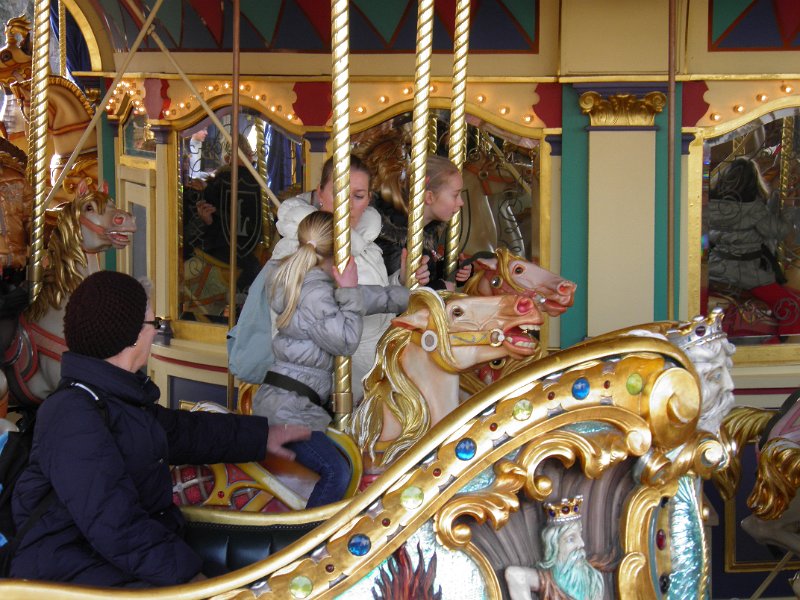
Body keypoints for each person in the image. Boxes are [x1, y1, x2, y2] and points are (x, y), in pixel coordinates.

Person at [9, 271, 310, 587]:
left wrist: (263, 436)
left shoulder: (117, 400)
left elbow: (183, 432)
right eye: (153, 324)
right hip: (69, 571)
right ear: (132, 336)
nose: (155, 333)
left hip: (111, 554)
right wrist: (191, 581)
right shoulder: (72, 414)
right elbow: (114, 524)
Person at [252, 211, 409, 508]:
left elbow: (372, 298)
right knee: (337, 471)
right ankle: (309, 546)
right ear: (339, 249)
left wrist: (416, 295)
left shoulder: (315, 282)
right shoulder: (315, 293)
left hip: (290, 401)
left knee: (351, 454)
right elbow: (346, 341)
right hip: (289, 407)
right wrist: (349, 289)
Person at [271, 155, 428, 401]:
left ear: (368, 200)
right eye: (339, 192)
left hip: (374, 375)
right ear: (320, 193)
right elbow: (298, 331)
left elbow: (378, 300)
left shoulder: (367, 245)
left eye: (358, 196)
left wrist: (402, 279)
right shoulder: (298, 249)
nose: (348, 205)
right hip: (330, 387)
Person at [706, 157, 800, 336]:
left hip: (716, 268)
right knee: (791, 307)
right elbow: (779, 231)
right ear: (753, 182)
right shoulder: (754, 210)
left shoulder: (710, 206)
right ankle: (780, 347)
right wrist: (787, 208)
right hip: (748, 274)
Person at [185, 137, 263, 320]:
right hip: (223, 246)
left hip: (228, 242)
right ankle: (243, 302)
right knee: (252, 266)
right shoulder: (227, 182)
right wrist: (207, 219)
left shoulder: (226, 181)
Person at [369, 154, 472, 291]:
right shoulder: (392, 242)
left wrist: (456, 269)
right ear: (429, 196)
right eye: (455, 195)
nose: (461, 202)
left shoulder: (428, 230)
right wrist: (439, 288)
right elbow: (391, 296)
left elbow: (428, 272)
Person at [504, 496, 604, 600]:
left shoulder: (593, 579)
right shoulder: (548, 580)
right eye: (571, 539)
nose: (581, 543)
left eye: (580, 535)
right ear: (554, 547)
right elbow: (514, 575)